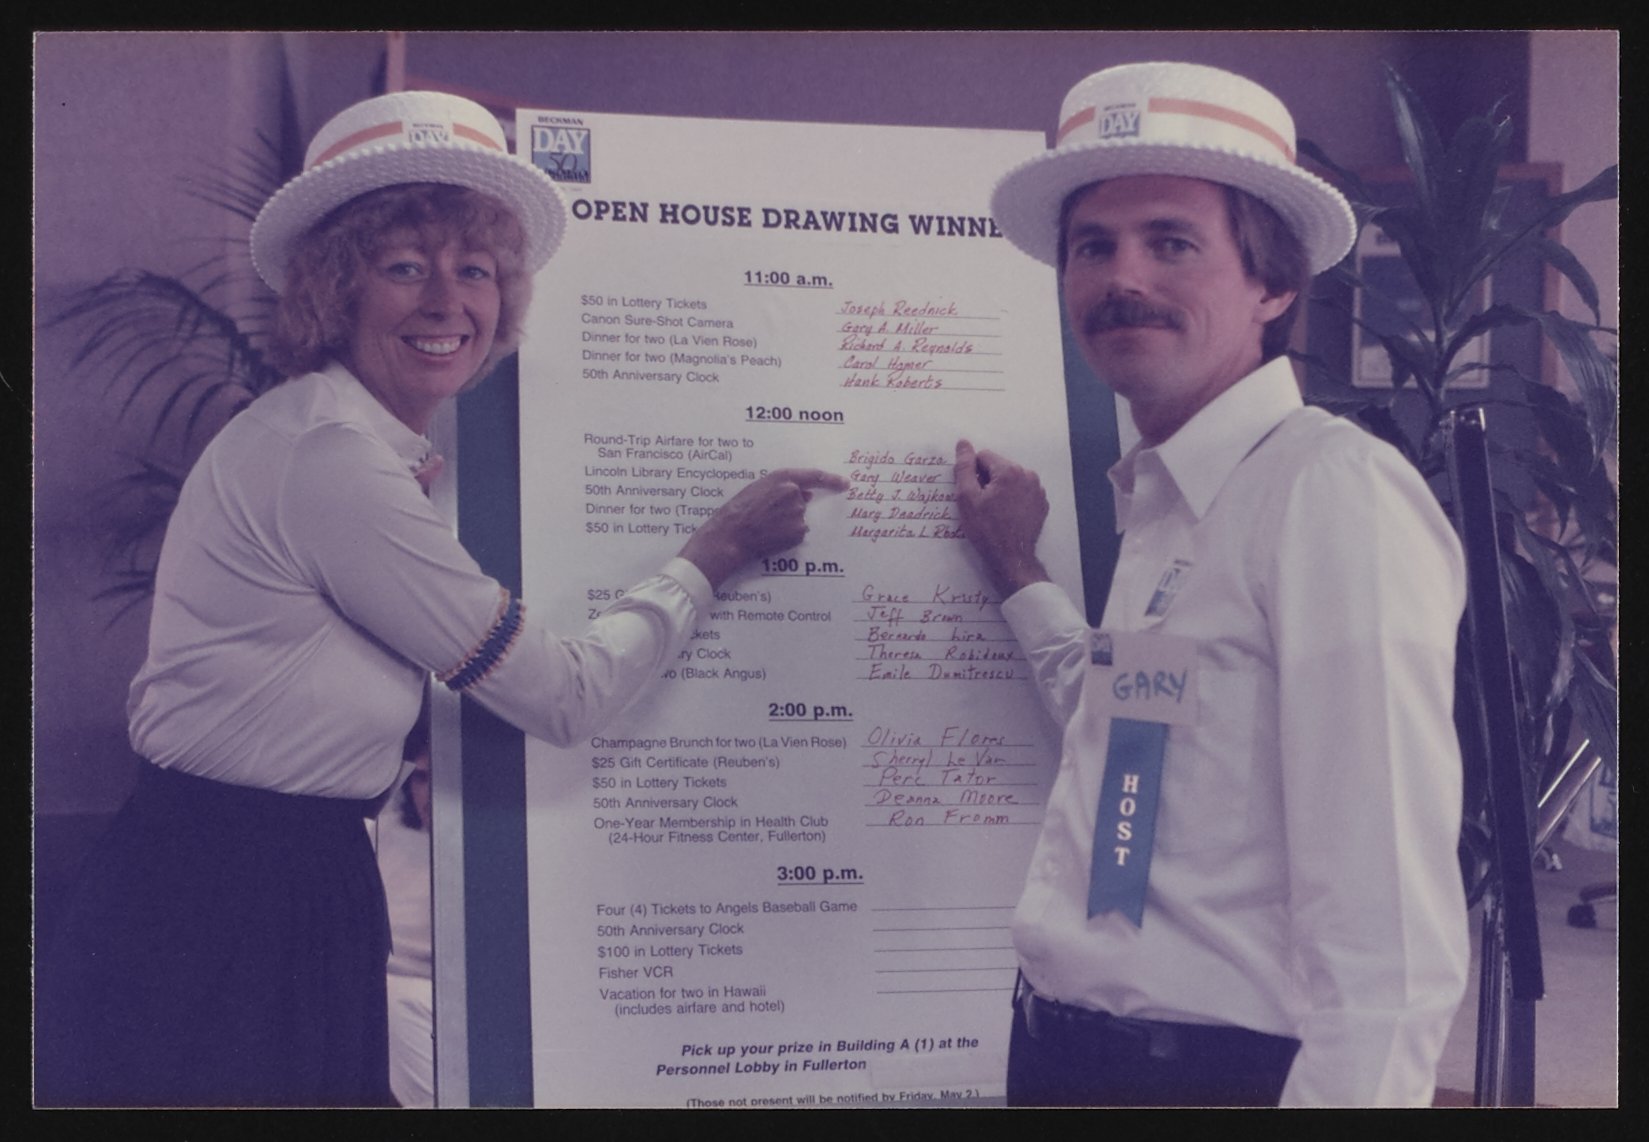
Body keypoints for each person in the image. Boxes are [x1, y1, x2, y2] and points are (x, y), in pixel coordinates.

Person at [39, 90, 846, 1107]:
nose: (446, 301)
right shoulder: (330, 457)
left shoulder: (335, 439)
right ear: (335, 290)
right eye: (404, 267)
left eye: (474, 270)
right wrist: (714, 553)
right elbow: (564, 695)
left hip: (258, 879)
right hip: (230, 903)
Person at [953, 62, 1469, 1106]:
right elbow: (1130, 730)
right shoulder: (1167, 497)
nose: (1121, 277)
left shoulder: (1329, 494)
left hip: (1205, 1079)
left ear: (1271, 286)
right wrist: (1018, 570)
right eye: (1091, 246)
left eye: (1170, 242)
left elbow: (1390, 934)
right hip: (1063, 1060)